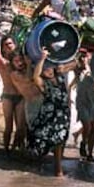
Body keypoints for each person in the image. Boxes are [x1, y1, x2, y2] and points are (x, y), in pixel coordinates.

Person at [29, 48, 71, 177]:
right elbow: (35, 76)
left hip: (62, 115)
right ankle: (41, 165)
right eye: (45, 69)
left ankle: (58, 170)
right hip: (48, 117)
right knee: (41, 141)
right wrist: (42, 58)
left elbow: (73, 64)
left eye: (50, 68)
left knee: (59, 140)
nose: (48, 70)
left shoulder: (60, 79)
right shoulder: (44, 84)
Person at [0, 35, 26, 154]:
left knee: (20, 127)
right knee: (8, 126)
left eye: (10, 43)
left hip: (20, 96)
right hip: (8, 96)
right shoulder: (4, 63)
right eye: (6, 44)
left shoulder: (20, 60)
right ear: (3, 48)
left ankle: (15, 148)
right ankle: (6, 150)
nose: (9, 46)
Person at [75, 52, 94, 161]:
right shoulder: (78, 69)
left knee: (93, 128)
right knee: (87, 126)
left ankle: (90, 154)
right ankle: (83, 142)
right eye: (82, 56)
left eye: (86, 56)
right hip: (82, 101)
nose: (84, 58)